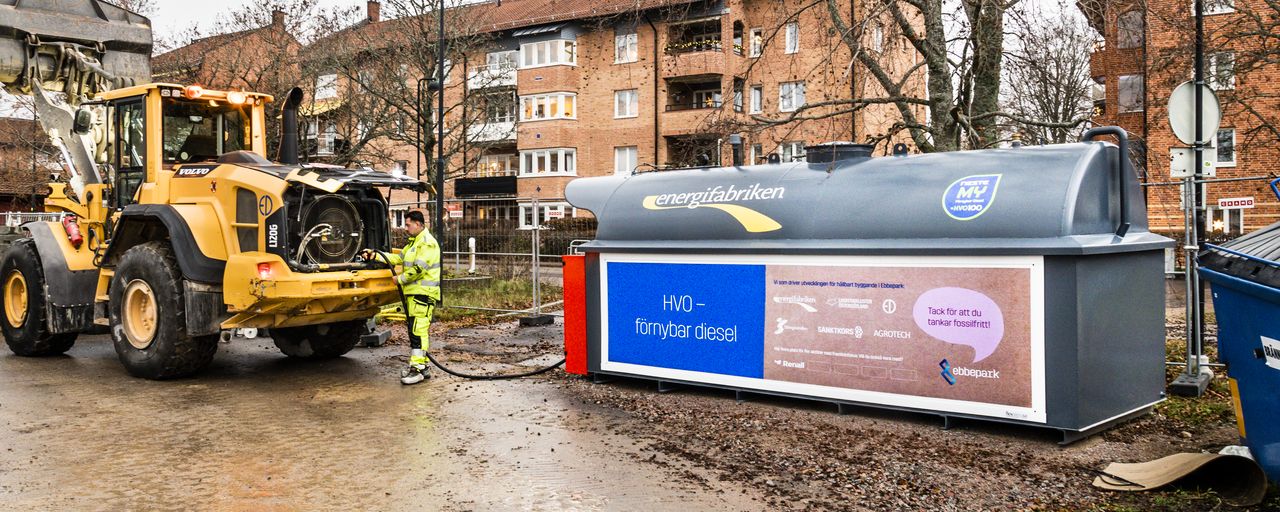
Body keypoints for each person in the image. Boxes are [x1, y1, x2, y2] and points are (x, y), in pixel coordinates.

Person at [362, 210, 441, 385]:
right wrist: (375, 255)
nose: (406, 228)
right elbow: (397, 259)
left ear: (419, 224)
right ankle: (422, 367)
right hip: (414, 295)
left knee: (418, 332)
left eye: (408, 224)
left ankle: (418, 369)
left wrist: (400, 279)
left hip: (423, 295)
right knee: (415, 331)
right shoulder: (413, 244)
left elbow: (420, 269)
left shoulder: (427, 243)